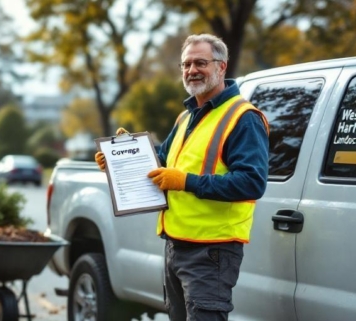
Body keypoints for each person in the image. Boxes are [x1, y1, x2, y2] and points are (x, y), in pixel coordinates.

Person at [95, 34, 269, 321]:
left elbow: (251, 182)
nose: (192, 70)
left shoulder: (243, 118)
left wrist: (185, 182)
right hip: (176, 245)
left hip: (212, 251)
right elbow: (160, 162)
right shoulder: (186, 117)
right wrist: (116, 161)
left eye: (201, 62)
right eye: (186, 64)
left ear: (222, 67)